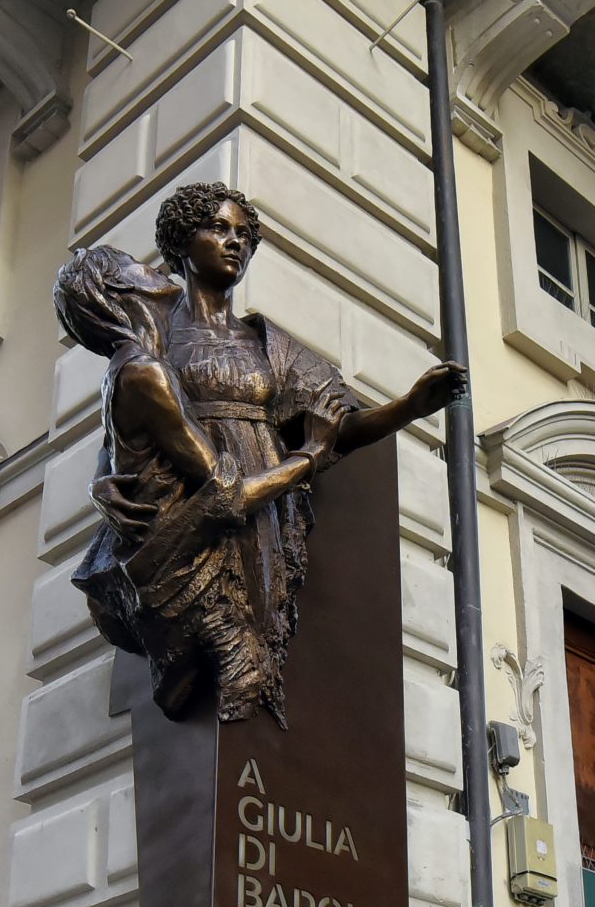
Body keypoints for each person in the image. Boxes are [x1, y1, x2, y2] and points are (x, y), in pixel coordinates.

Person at [61, 182, 464, 721]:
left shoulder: (268, 343)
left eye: (244, 234)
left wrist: (407, 407)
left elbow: (335, 427)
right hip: (199, 505)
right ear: (182, 242)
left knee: (260, 636)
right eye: (218, 228)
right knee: (217, 647)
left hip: (262, 501)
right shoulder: (153, 336)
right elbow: (127, 419)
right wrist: (102, 480)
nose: (236, 242)